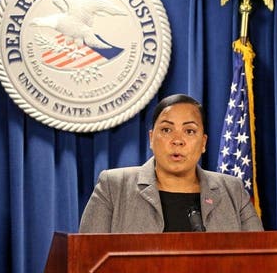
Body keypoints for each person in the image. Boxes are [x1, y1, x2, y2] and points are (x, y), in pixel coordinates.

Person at [79, 94, 263, 233]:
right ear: (151, 138)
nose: (178, 140)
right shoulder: (113, 186)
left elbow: (259, 259)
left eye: (189, 131)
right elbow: (87, 258)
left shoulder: (232, 190)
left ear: (204, 143)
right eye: (167, 129)